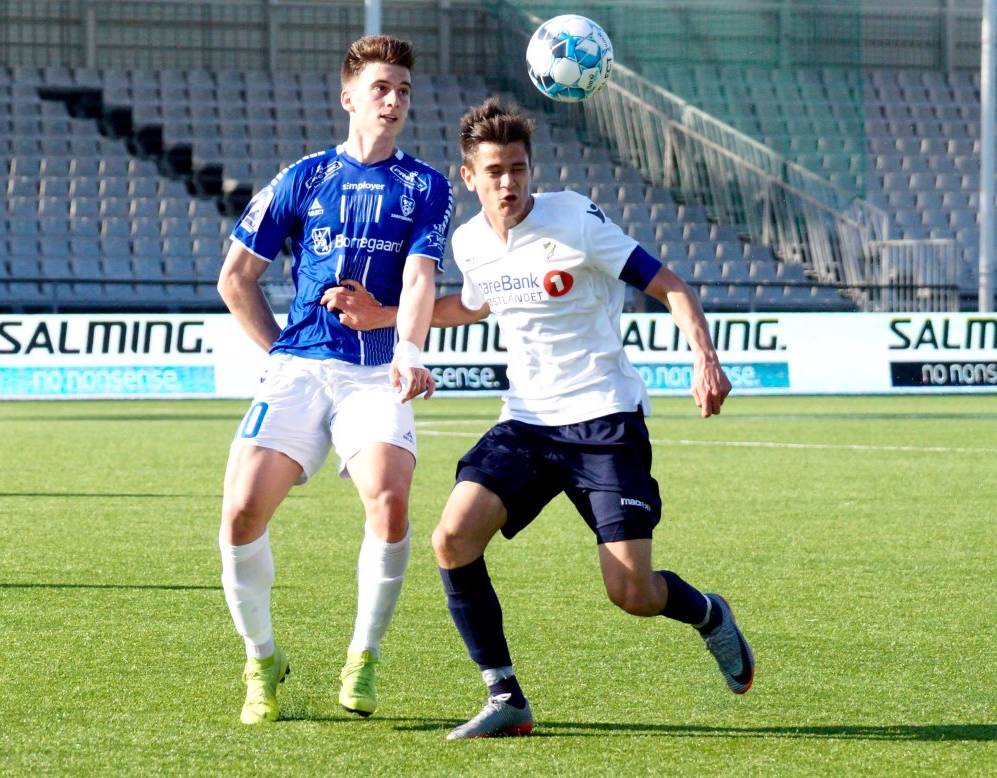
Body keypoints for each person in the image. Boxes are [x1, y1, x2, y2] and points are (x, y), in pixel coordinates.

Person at [321, 96, 753, 740]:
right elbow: (473, 306)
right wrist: (386, 317)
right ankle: (504, 695)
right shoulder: (469, 242)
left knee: (633, 594)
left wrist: (705, 360)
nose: (508, 183)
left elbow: (669, 284)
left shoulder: (574, 217)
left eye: (518, 168)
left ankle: (709, 614)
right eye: (494, 171)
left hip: (604, 420)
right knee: (452, 537)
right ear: (469, 176)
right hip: (526, 422)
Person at [216, 34, 453, 725]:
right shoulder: (304, 177)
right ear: (348, 96)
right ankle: (262, 658)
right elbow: (235, 279)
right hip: (298, 368)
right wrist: (280, 354)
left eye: (403, 90)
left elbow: (420, 278)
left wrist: (409, 351)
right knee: (241, 512)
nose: (394, 100)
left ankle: (363, 656)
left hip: (376, 371)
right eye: (381, 88)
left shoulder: (425, 186)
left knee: (390, 501)